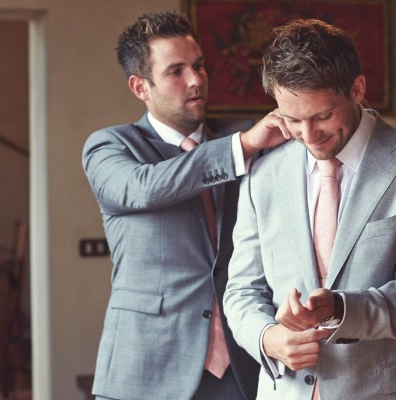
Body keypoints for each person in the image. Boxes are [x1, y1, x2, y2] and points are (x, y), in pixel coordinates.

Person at [223, 19, 396, 400]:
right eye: (291, 119)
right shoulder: (263, 174)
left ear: (357, 90)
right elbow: (240, 290)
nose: (308, 134)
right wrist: (269, 338)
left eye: (321, 116)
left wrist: (340, 308)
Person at [82, 11, 287, 400]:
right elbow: (141, 189)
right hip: (147, 368)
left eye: (199, 66)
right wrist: (239, 148)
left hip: (243, 367)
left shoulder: (245, 143)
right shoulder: (110, 147)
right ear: (140, 87)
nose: (195, 80)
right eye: (176, 71)